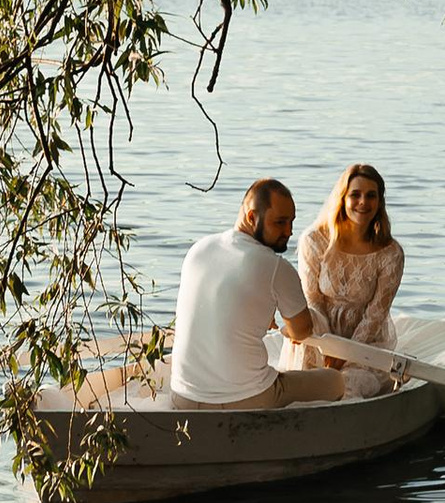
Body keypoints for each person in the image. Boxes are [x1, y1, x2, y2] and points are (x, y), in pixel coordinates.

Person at [167, 177, 324, 405]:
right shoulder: (276, 267)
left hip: (182, 396)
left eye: (291, 222)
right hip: (247, 398)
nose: (289, 231)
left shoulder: (198, 249)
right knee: (334, 380)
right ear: (252, 217)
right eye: (280, 222)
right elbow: (301, 331)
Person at [298, 163, 406, 395]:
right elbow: (312, 300)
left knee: (347, 388)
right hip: (321, 337)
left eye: (371, 196)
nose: (363, 202)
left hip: (366, 345)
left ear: (380, 202)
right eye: (355, 194)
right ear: (342, 198)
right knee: (307, 383)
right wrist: (329, 348)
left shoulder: (390, 253)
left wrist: (345, 353)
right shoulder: (314, 241)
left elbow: (375, 314)